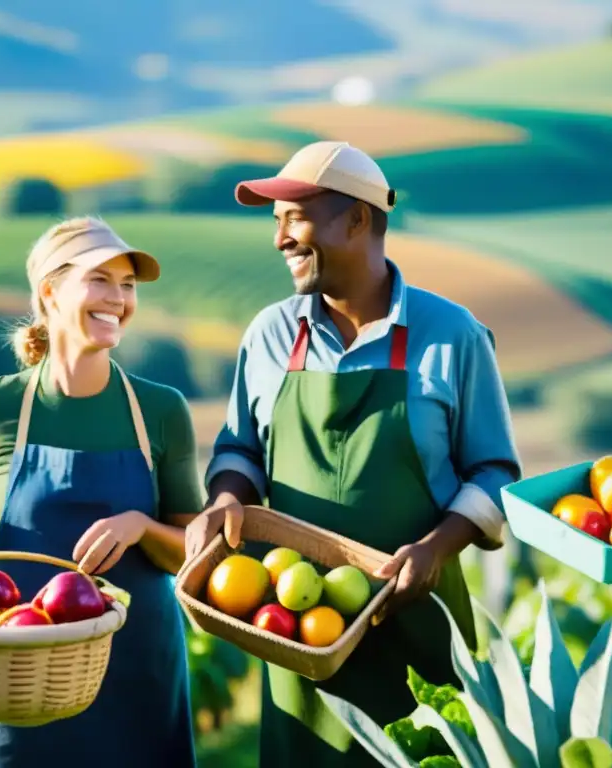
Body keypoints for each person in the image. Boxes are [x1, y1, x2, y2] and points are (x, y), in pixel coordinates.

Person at [183, 141, 522, 767]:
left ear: (357, 219)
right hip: (294, 631)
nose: (280, 238)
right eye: (276, 222)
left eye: (295, 218)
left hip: (419, 630)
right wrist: (225, 499)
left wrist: (435, 549)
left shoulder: (452, 334)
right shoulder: (268, 334)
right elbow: (239, 450)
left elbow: (495, 474)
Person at [0, 216, 201, 767]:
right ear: (50, 290)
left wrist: (141, 528)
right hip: (10, 677)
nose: (118, 299)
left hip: (132, 675)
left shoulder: (161, 410)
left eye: (127, 285)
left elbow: (191, 551)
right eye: (100, 280)